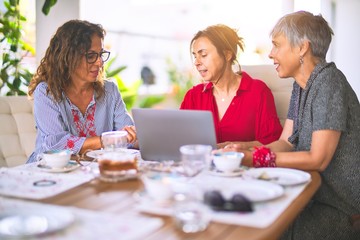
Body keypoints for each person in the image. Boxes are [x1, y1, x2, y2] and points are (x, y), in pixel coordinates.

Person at [222, 11, 360, 239]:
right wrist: (246, 149)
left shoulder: (329, 82)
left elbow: (318, 159)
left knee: (267, 228)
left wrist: (254, 159)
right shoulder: (301, 85)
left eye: (276, 45)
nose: (270, 53)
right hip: (311, 194)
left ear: (302, 48)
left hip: (341, 206)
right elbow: (286, 142)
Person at [27, 20, 137, 163]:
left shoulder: (110, 90)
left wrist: (136, 136)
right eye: (91, 56)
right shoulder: (47, 92)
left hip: (93, 169)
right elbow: (57, 144)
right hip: (50, 171)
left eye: (100, 54)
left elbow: (127, 137)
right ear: (68, 57)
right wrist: (107, 140)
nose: (99, 63)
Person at [180, 24, 282, 150]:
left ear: (227, 55)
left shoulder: (258, 91)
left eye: (204, 55)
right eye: (195, 56)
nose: (197, 62)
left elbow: (272, 143)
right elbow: (180, 140)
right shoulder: (193, 96)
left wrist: (239, 146)